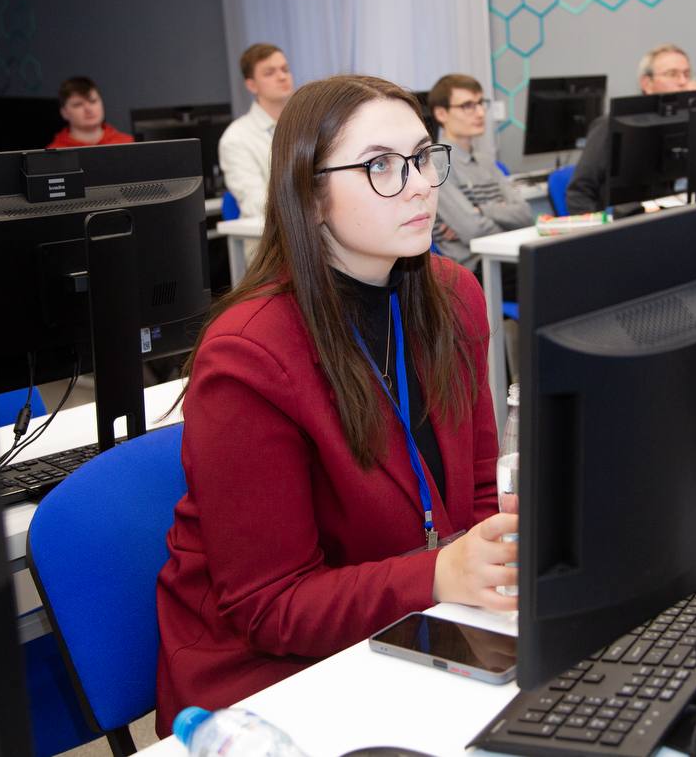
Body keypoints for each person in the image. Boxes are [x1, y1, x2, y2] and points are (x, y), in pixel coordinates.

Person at [155, 75, 515, 734]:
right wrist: (440, 573)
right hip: (271, 682)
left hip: (415, 628)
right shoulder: (248, 355)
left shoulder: (453, 296)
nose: (418, 185)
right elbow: (270, 606)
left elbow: (478, 491)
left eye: (421, 157)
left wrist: (488, 554)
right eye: (380, 165)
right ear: (310, 195)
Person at [567, 43, 696, 215]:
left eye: (687, 74)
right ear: (647, 83)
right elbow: (578, 194)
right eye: (672, 74)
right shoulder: (609, 125)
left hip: (681, 217)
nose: (683, 81)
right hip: (627, 224)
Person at [428, 73, 534, 300]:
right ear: (441, 113)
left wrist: (482, 210)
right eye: (467, 105)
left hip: (506, 259)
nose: (479, 112)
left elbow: (525, 214)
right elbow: (473, 230)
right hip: (474, 270)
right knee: (556, 273)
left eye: (480, 103)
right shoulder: (437, 162)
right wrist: (502, 213)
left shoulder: (486, 161)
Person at [218, 43, 295, 220]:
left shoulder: (308, 124)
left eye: (285, 69)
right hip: (270, 232)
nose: (282, 77)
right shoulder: (236, 138)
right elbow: (257, 204)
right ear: (252, 85)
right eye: (270, 73)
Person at [46, 77, 134, 148]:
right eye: (78, 104)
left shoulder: (129, 144)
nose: (88, 109)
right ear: (64, 112)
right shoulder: (54, 154)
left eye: (93, 101)